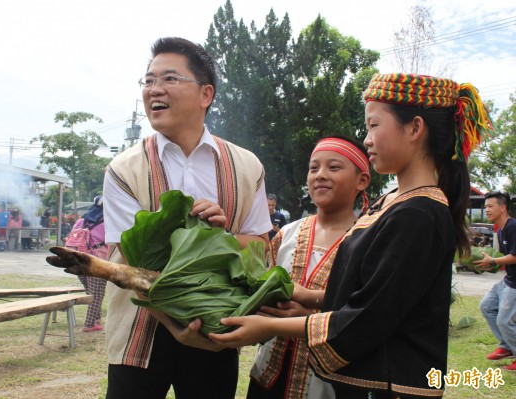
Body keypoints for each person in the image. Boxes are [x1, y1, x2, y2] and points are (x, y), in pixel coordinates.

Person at [210, 73, 494, 398]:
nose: (368, 138)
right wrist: (309, 296)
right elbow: (373, 290)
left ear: (415, 128)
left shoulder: (420, 213)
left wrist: (270, 326)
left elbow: (368, 317)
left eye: (374, 125)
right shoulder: (391, 202)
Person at [102, 37, 271, 399]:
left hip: (215, 330)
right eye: (148, 81)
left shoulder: (247, 166)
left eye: (169, 79)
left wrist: (221, 235)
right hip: (139, 332)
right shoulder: (123, 169)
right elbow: (134, 262)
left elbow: (259, 248)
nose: (153, 90)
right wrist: (214, 244)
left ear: (205, 94)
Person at [248, 136, 370, 399]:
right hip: (268, 376)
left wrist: (311, 312)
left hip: (329, 384)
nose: (320, 175)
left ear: (362, 181)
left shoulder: (369, 240)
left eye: (334, 167)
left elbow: (369, 309)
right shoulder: (286, 234)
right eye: (314, 168)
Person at [477, 191, 516, 371]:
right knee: (487, 305)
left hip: (515, 284)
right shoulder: (501, 230)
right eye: (485, 207)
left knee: (504, 320)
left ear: (503, 207)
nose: (487, 210)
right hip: (508, 279)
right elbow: (504, 258)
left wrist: (492, 261)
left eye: (490, 206)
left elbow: (515, 256)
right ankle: (506, 346)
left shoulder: (513, 226)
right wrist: (490, 265)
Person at [68, 196, 109, 332]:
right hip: (97, 261)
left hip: (78, 261)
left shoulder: (81, 221)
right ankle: (89, 324)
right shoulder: (106, 223)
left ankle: (96, 320)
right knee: (97, 294)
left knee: (91, 292)